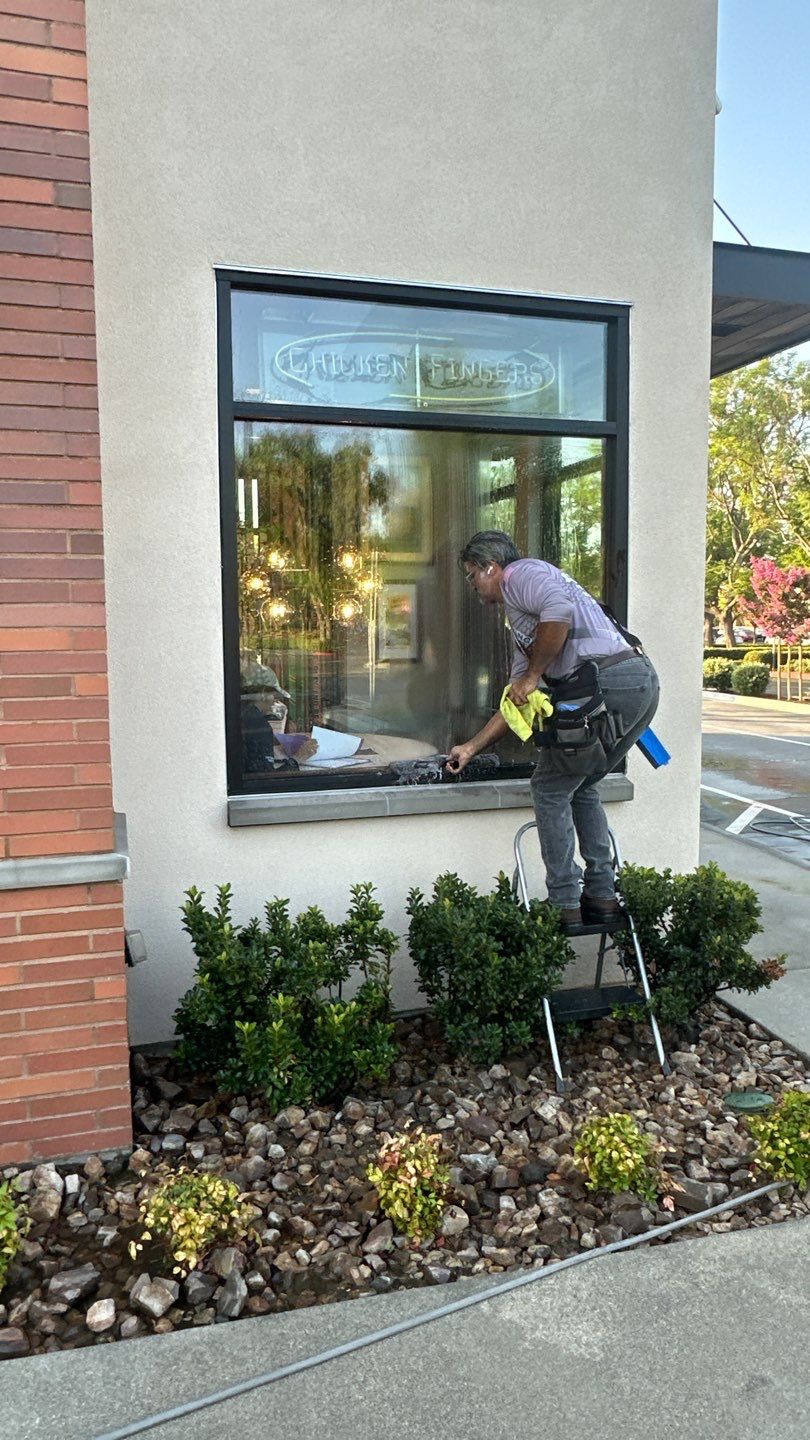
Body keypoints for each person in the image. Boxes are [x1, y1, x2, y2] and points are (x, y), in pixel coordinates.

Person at [446, 531, 659, 929]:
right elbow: (516, 702)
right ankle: (602, 896)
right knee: (583, 784)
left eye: (471, 574)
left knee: (548, 786)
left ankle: (564, 902)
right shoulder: (524, 628)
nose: (472, 584)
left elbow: (557, 610)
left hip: (609, 683)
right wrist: (471, 747)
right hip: (635, 686)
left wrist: (536, 674)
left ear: (491, 568)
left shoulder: (521, 575)